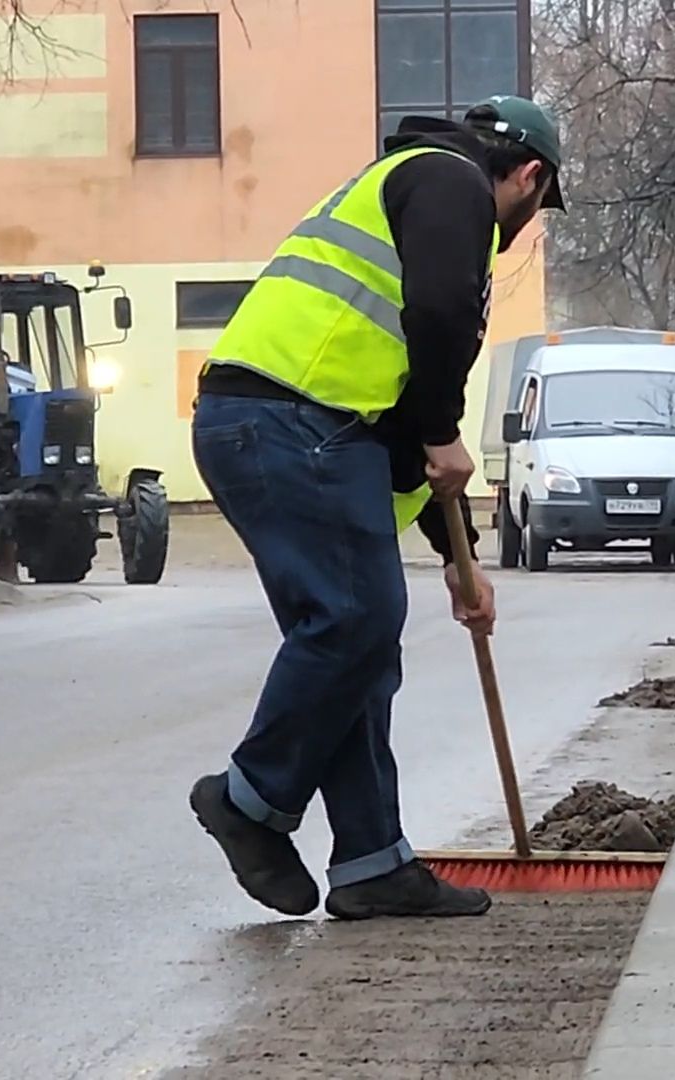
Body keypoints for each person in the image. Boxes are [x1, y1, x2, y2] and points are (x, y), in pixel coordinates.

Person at [187, 95, 564, 921]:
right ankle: (248, 802)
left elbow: (405, 430)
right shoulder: (449, 180)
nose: (521, 228)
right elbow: (433, 331)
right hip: (290, 418)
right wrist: (443, 430)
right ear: (529, 177)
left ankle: (370, 861)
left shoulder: (410, 191)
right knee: (354, 619)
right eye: (536, 209)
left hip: (283, 424)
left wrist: (458, 556)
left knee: (358, 646)